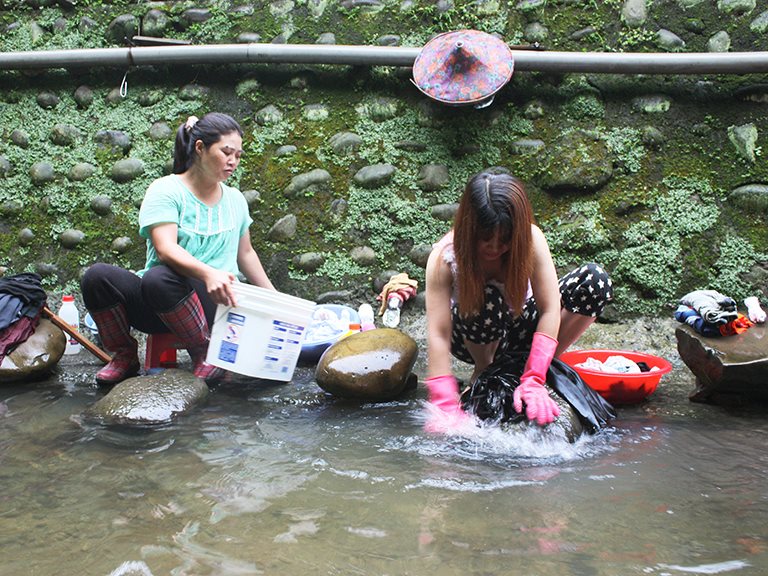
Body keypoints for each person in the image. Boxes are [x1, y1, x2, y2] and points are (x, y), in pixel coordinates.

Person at [81, 112, 275, 385]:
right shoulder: (165, 190)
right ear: (200, 148)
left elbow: (246, 254)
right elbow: (165, 249)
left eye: (238, 155)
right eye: (226, 152)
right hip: (160, 301)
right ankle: (124, 354)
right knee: (98, 277)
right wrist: (209, 273)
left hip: (217, 306)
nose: (233, 161)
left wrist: (274, 298)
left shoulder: (235, 200)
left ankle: (205, 351)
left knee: (159, 278)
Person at [424, 171, 613, 431]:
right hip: (471, 335)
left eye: (504, 240)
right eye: (485, 238)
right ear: (469, 228)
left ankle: (532, 369)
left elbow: (549, 309)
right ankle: (485, 373)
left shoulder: (531, 240)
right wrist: (444, 401)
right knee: (488, 297)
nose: (493, 248)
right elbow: (438, 332)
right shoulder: (446, 256)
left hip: (519, 327)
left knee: (594, 280)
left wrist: (535, 378)